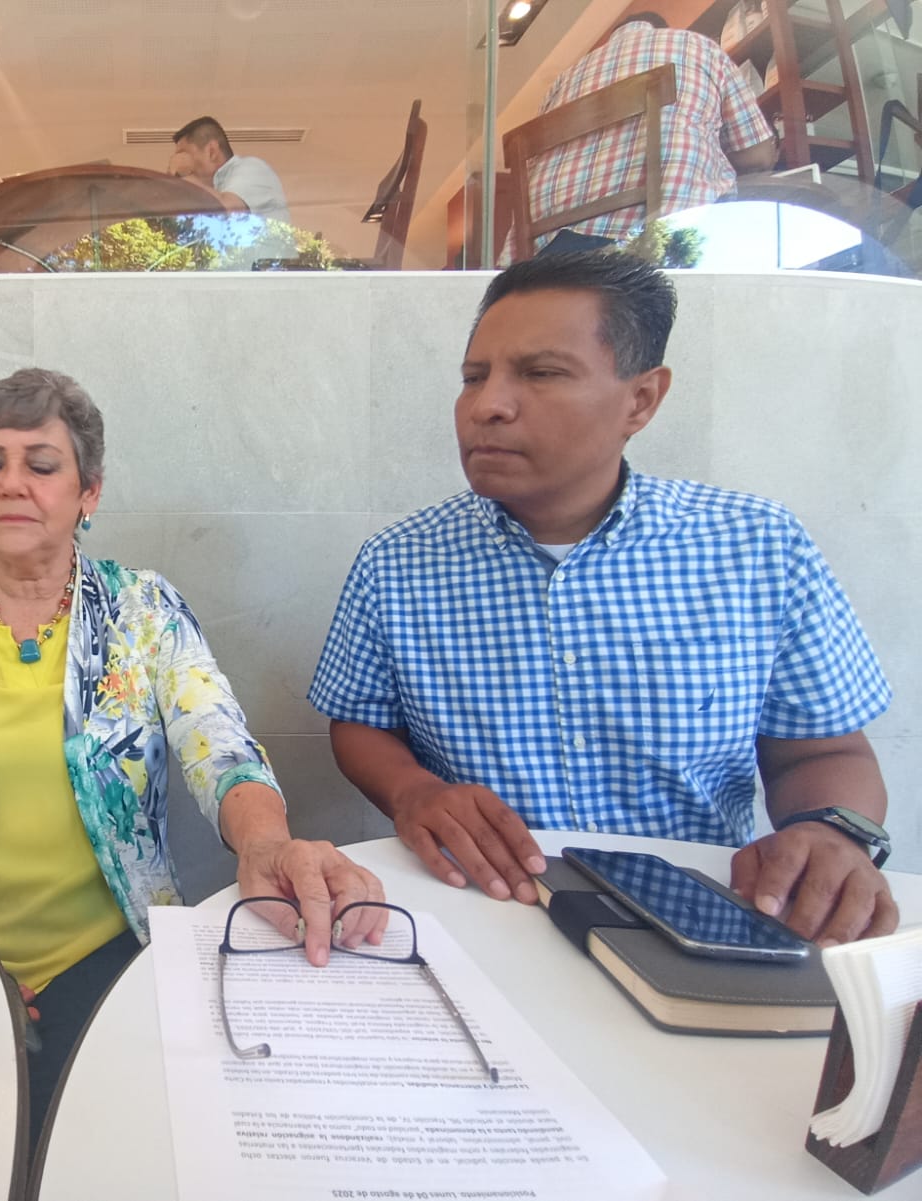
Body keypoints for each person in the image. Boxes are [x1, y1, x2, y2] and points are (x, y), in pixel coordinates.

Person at [0, 367, 383, 1139]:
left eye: (42, 465)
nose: (12, 483)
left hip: (110, 954)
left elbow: (219, 744)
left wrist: (266, 841)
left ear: (89, 493)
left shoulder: (142, 608)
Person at [310, 252, 896, 946]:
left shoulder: (757, 548)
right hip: (483, 912)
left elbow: (822, 753)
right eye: (474, 377)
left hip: (701, 921)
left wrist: (830, 833)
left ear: (641, 399)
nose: (487, 405)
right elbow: (361, 724)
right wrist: (415, 792)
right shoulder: (397, 562)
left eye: (541, 373)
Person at [514, 12, 775, 257]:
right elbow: (759, 156)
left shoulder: (563, 81)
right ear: (661, 30)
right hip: (658, 237)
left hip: (549, 253)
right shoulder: (699, 47)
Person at [168, 115, 291, 225]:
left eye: (183, 155)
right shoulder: (215, 190)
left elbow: (227, 211)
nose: (177, 161)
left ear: (212, 151)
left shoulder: (251, 167)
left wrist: (182, 176)